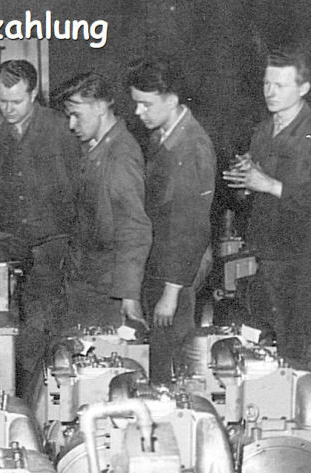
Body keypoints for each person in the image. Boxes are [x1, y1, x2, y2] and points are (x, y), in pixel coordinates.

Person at [0, 59, 81, 346]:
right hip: (18, 250)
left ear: (34, 93)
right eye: (2, 101)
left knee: (55, 331)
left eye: (16, 102)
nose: (8, 109)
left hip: (57, 248)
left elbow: (81, 189)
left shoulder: (61, 128)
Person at [127, 57, 215, 384]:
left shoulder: (192, 148)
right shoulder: (163, 135)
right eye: (136, 103)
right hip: (161, 264)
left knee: (172, 364)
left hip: (177, 273)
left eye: (146, 104)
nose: (138, 112)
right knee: (160, 356)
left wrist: (172, 293)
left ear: (172, 99)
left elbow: (192, 227)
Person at [222, 47, 311, 361]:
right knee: (266, 346)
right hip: (267, 257)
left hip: (302, 263)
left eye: (280, 86)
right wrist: (245, 183)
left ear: (304, 88)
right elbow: (254, 193)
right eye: (266, 84)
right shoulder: (262, 131)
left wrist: (270, 185)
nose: (270, 93)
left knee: (299, 351)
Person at [58, 71, 152, 329]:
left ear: (100, 107)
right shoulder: (95, 147)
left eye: (77, 115)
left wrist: (129, 294)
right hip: (88, 279)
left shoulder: (120, 155)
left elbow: (134, 227)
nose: (71, 125)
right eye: (69, 116)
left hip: (107, 289)